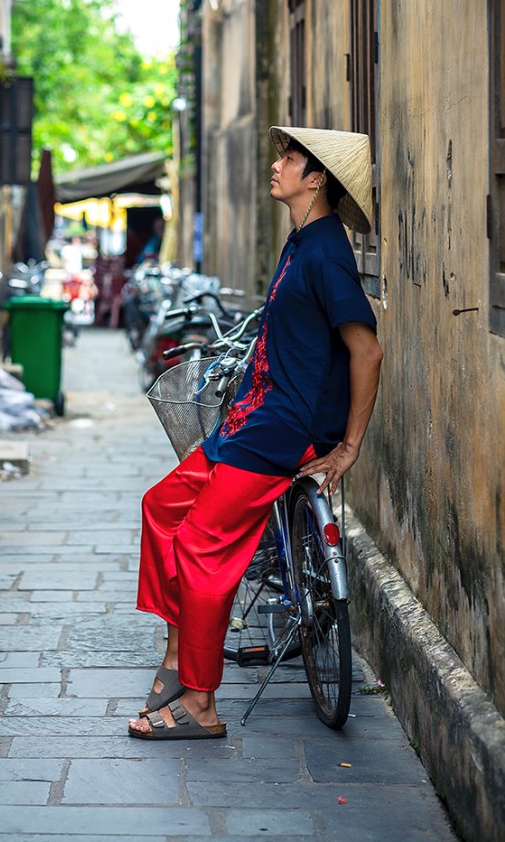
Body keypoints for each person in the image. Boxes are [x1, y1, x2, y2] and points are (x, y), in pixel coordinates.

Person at [128, 127, 384, 741]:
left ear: (315, 178)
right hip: (254, 415)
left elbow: (367, 350)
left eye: (288, 159)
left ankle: (200, 705)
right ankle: (175, 654)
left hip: (286, 427)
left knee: (200, 546)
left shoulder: (325, 253)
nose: (276, 166)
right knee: (161, 506)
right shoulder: (299, 242)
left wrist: (348, 444)